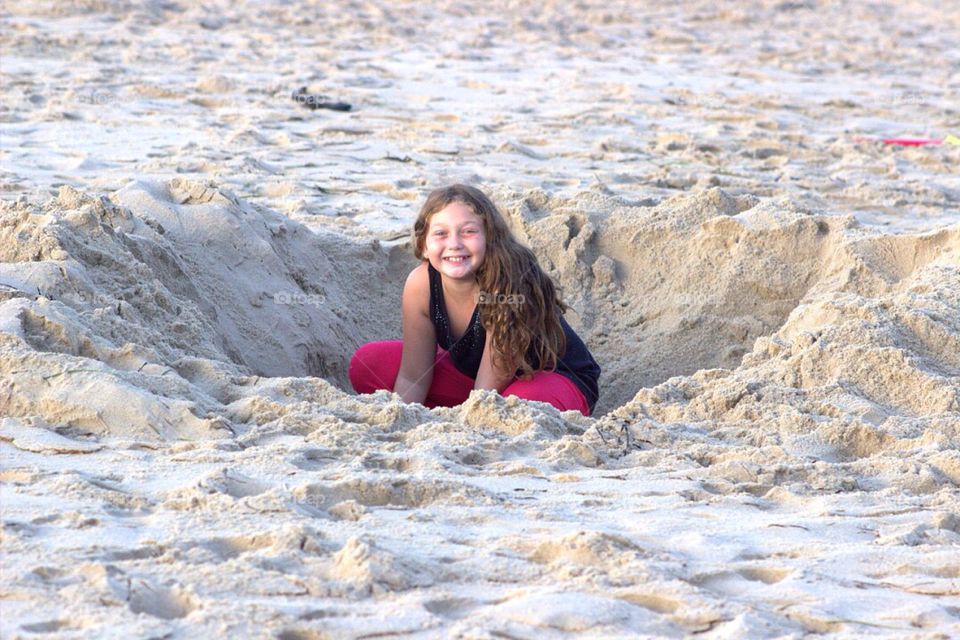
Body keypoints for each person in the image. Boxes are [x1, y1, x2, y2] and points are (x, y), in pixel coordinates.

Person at [348, 184, 601, 416]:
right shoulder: (420, 283)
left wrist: (468, 422)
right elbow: (413, 376)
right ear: (424, 245)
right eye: (441, 233)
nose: (454, 244)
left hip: (549, 378)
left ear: (490, 238)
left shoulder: (508, 281)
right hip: (473, 379)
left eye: (468, 232)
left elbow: (488, 390)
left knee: (517, 406)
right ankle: (458, 409)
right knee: (368, 363)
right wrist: (402, 418)